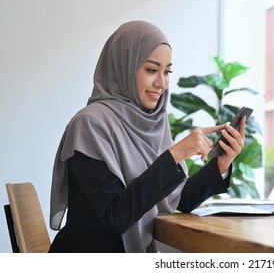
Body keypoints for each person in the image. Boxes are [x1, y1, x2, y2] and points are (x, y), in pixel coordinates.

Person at [49, 20, 246, 253]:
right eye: (151, 70)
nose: (161, 83)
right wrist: (175, 155)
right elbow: (116, 216)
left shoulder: (152, 124)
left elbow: (177, 200)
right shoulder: (89, 124)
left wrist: (221, 162)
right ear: (124, 66)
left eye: (167, 71)